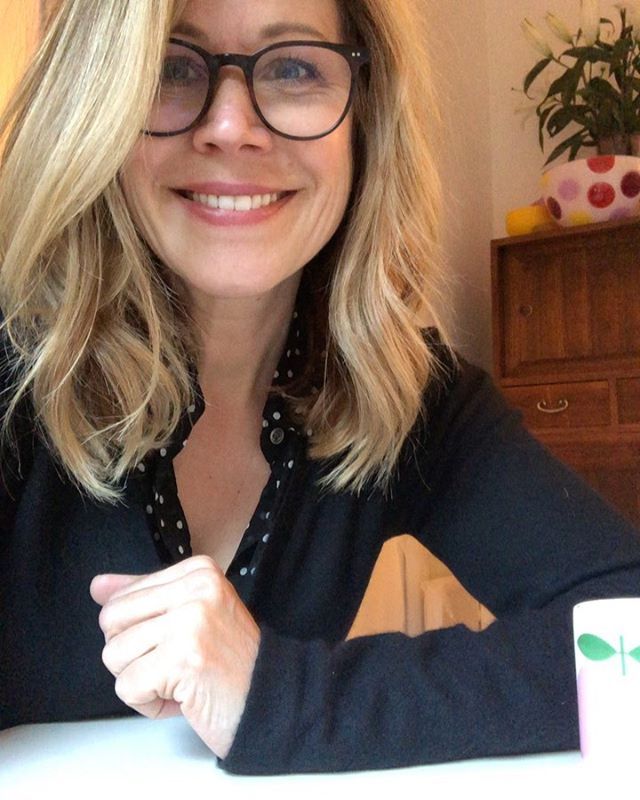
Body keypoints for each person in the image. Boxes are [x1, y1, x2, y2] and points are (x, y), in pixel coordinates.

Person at [1, 0, 639, 776]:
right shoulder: (13, 374)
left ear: (365, 117)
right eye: (171, 67)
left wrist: (284, 697)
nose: (232, 126)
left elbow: (628, 626)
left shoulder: (404, 392)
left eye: (295, 67)